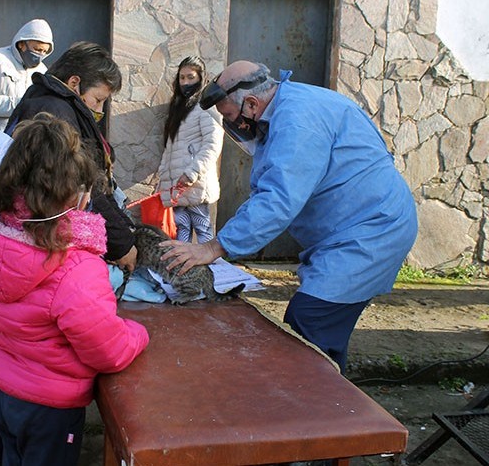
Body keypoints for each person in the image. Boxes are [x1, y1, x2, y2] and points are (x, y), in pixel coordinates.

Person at [161, 60, 418, 372]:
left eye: (229, 116)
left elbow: (279, 200)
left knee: (310, 320)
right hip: (348, 231)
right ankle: (330, 405)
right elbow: (268, 189)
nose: (230, 126)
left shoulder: (297, 121)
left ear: (252, 104)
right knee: (321, 333)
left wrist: (213, 248)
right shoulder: (286, 109)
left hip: (372, 230)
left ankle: (318, 411)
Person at [0, 113, 149, 466]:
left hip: (2, 391)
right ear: (78, 196)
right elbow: (106, 349)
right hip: (49, 409)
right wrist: (137, 333)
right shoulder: (76, 266)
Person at [6, 41, 138, 273]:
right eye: (98, 99)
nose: (100, 109)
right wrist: (122, 245)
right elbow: (84, 184)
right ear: (74, 83)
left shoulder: (47, 101)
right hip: (48, 242)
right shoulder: (55, 114)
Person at [157, 56, 224, 243]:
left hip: (195, 182)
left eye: (191, 77)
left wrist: (192, 172)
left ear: (201, 78)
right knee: (181, 229)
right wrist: (163, 176)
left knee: (202, 229)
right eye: (182, 78)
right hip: (177, 186)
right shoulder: (178, 108)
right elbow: (170, 148)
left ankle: (211, 269)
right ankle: (183, 268)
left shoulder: (206, 107)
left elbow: (213, 144)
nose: (185, 82)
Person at [0, 19, 54, 130]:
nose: (40, 55)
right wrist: (20, 104)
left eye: (44, 51)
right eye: (37, 49)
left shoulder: (42, 70)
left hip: (20, 140)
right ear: (22, 44)